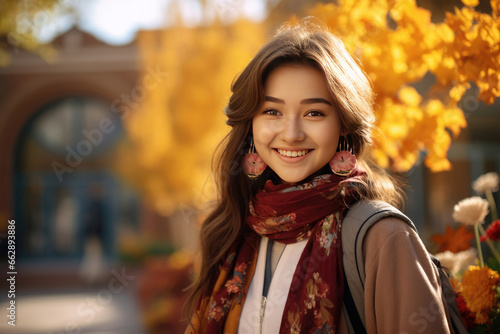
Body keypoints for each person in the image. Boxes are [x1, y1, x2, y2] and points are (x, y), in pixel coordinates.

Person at [185, 19, 453, 333]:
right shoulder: (233, 231)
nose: (292, 133)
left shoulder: (382, 238)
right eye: (272, 111)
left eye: (314, 113)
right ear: (251, 124)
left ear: (343, 124)